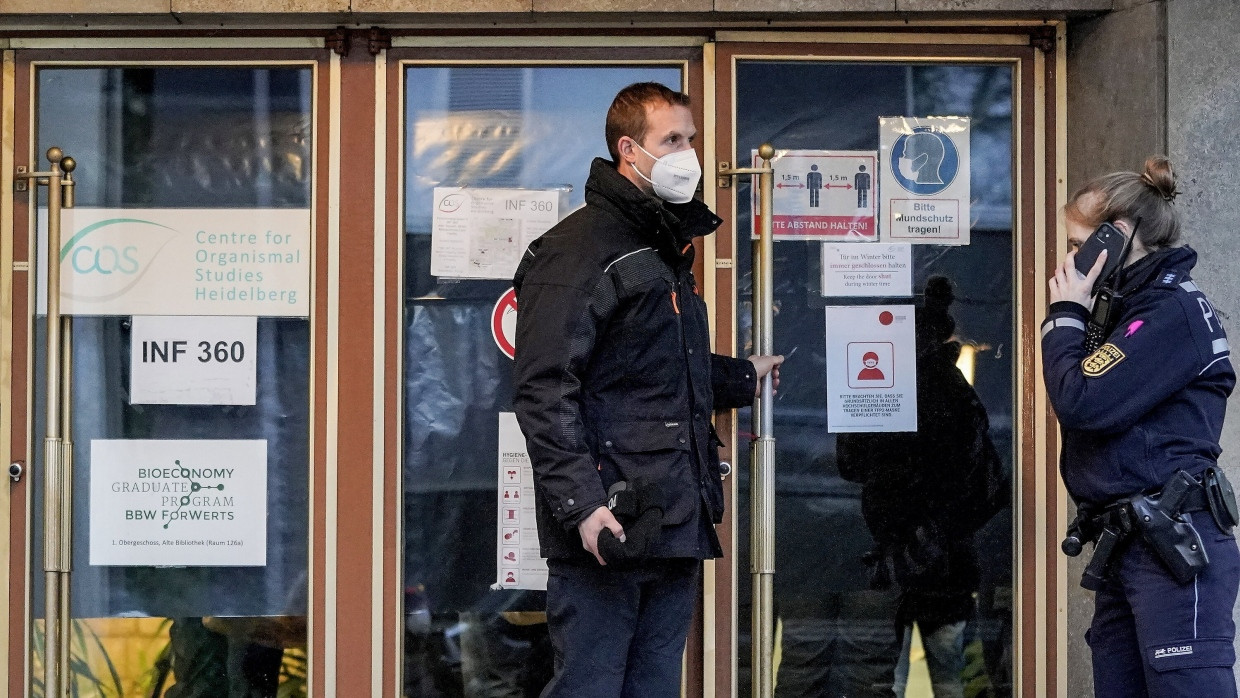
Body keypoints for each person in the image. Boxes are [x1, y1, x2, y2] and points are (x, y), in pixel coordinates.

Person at [512, 81, 782, 698]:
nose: (688, 152)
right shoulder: (581, 249)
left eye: (690, 138)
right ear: (630, 150)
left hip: (669, 518)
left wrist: (742, 375)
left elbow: (646, 370)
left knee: (653, 684)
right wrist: (582, 506)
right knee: (591, 686)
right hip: (611, 521)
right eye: (674, 140)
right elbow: (546, 387)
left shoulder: (659, 245)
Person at [1041, 156, 1239, 697]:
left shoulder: (1170, 312)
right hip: (1131, 542)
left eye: (1079, 243)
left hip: (1174, 542)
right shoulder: (1131, 310)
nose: (1070, 258)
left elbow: (1081, 399)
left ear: (1117, 235)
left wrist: (1064, 315)